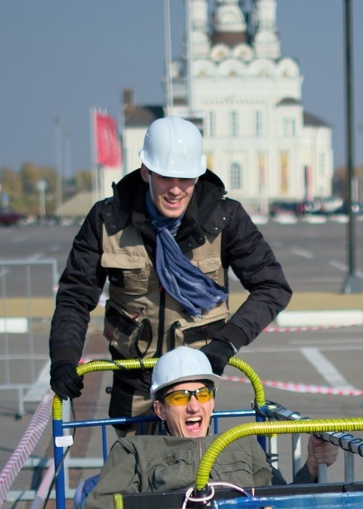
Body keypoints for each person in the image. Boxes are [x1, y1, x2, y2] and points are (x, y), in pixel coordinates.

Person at [49, 115, 291, 423]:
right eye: (166, 177)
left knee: (194, 469)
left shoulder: (225, 217)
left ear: (198, 175)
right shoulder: (107, 219)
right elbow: (75, 296)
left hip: (194, 383)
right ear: (146, 172)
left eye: (186, 178)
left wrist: (226, 343)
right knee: (134, 468)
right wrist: (64, 358)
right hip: (134, 381)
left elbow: (273, 287)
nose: (176, 190)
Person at [81, 346, 337, 509]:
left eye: (202, 394)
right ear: (160, 409)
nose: (193, 406)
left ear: (212, 401)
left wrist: (312, 466)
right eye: (180, 397)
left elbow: (281, 504)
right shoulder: (136, 450)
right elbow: (106, 503)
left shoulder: (241, 443)